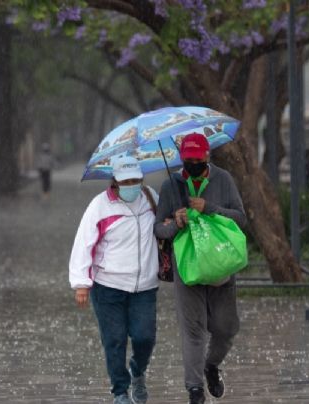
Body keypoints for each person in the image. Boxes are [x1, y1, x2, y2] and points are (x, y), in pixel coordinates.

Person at [154, 133, 246, 404]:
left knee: (226, 327)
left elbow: (240, 219)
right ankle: (194, 389)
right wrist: (175, 223)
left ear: (207, 156)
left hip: (220, 265)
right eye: (187, 159)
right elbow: (158, 228)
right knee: (193, 330)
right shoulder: (171, 184)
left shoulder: (224, 180)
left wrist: (210, 208)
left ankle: (211, 366)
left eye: (197, 158)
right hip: (188, 267)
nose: (192, 163)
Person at [68, 155, 159, 404]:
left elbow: (164, 227)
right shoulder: (100, 206)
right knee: (114, 340)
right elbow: (84, 243)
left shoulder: (151, 199)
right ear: (115, 182)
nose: (132, 185)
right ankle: (120, 391)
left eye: (136, 180)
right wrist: (81, 283)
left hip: (145, 286)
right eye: (126, 181)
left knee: (145, 337)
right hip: (108, 287)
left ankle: (138, 372)